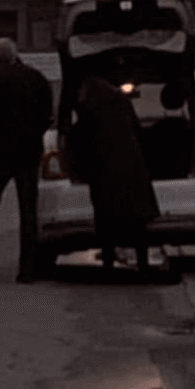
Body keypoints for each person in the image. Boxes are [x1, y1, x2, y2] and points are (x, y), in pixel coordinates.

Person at [0, 38, 53, 282]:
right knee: (28, 211)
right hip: (29, 152)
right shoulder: (36, 78)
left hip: (1, 152)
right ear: (16, 55)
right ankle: (27, 269)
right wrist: (35, 135)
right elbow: (48, 116)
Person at [69, 68, 158, 277]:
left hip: (104, 170)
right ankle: (143, 263)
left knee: (106, 220)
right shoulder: (122, 102)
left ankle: (108, 262)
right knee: (138, 221)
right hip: (133, 166)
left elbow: (80, 140)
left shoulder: (87, 108)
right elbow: (138, 131)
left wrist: (80, 168)